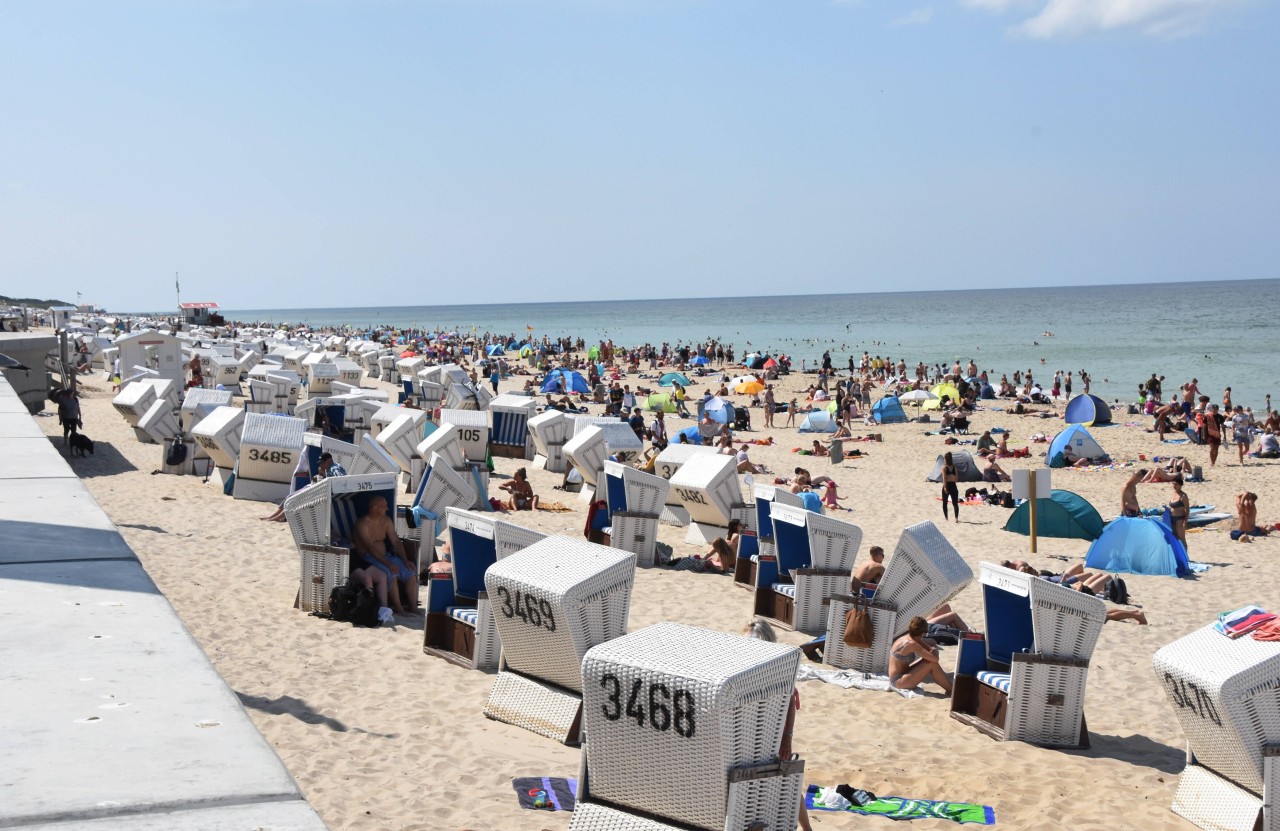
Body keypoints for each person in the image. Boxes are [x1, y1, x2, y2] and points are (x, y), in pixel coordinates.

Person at [743, 618, 812, 831]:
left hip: (775, 732)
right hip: (753, 732)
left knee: (788, 779)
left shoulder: (777, 665)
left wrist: (787, 738)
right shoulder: (746, 663)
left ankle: (807, 828)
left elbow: (790, 699)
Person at [352, 495, 418, 617]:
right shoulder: (362, 524)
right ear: (375, 508)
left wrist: (405, 560)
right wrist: (388, 564)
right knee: (390, 574)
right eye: (384, 507)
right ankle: (398, 608)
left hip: (386, 556)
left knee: (410, 572)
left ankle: (413, 607)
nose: (387, 509)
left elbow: (395, 541)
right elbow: (370, 548)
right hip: (368, 558)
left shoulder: (386, 520)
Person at [888, 616, 953, 694]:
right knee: (932, 663)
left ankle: (950, 688)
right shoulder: (911, 644)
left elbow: (928, 648)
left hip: (902, 675)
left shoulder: (909, 637)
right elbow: (935, 658)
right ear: (922, 632)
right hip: (898, 682)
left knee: (928, 660)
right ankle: (951, 689)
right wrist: (935, 651)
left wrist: (931, 650)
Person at [1167, 476, 1190, 549]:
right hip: (1172, 519)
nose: (1174, 486)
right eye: (1173, 484)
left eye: (1176, 484)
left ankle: (1186, 558)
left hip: (1180, 520)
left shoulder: (1183, 496)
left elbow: (1187, 509)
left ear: (1180, 485)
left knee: (1182, 539)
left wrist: (1185, 521)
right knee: (1175, 538)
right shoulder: (1173, 494)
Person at [940, 451, 959, 523]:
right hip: (953, 486)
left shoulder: (944, 467)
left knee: (945, 503)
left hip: (947, 485)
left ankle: (946, 518)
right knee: (955, 503)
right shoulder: (955, 467)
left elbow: (944, 478)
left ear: (945, 459)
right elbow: (956, 479)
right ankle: (956, 518)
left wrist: (945, 487)